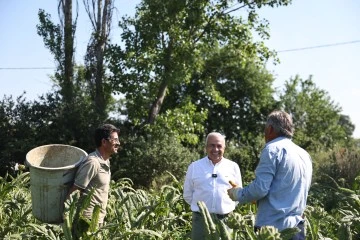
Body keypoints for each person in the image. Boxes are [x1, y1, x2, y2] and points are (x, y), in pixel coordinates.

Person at [228, 110, 312, 239]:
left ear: (270, 129)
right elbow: (290, 190)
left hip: (273, 229)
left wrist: (237, 193)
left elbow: (260, 189)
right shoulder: (304, 154)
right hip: (297, 228)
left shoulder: (272, 149)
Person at [183, 132, 242, 240]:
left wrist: (226, 207)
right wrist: (201, 209)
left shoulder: (233, 167)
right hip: (200, 220)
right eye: (212, 145)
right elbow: (187, 194)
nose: (215, 149)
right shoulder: (194, 167)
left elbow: (238, 193)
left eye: (219, 146)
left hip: (225, 220)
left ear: (224, 148)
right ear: (206, 147)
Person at [67, 123, 120, 226]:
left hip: (97, 219)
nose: (118, 143)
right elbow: (75, 190)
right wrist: (66, 217)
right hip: (86, 221)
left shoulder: (105, 162)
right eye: (115, 140)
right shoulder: (93, 162)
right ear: (104, 142)